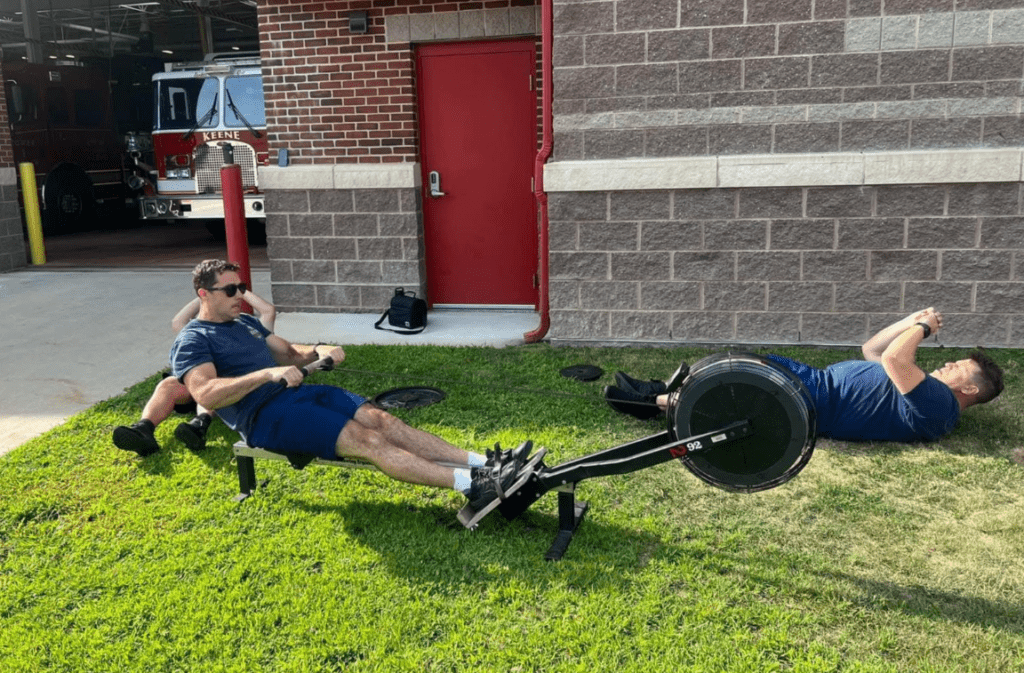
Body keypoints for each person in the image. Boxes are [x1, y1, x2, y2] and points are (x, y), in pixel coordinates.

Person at [169, 258, 534, 513]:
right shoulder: (194, 339)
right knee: (368, 440)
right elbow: (205, 393)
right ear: (204, 294)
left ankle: (484, 463)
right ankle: (473, 485)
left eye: (242, 287)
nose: (239, 295)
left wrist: (318, 349)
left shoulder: (246, 325)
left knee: (385, 422)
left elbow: (289, 353)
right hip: (264, 417)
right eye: (231, 289)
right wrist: (266, 375)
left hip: (297, 393)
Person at [607, 307, 1004, 443]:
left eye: (957, 368)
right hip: (813, 383)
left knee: (741, 381)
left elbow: (896, 361)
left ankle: (650, 402)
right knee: (735, 365)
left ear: (969, 388)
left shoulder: (941, 405)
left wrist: (923, 331)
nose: (947, 365)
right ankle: (660, 391)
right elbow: (874, 350)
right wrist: (909, 320)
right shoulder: (924, 390)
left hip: (813, 401)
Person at [112, 286, 277, 457]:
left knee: (215, 381)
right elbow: (178, 322)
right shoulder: (203, 330)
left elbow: (268, 310)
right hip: (198, 385)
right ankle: (144, 429)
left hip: (233, 387)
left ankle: (199, 425)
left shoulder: (255, 327)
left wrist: (236, 289)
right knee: (168, 384)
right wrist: (209, 294)